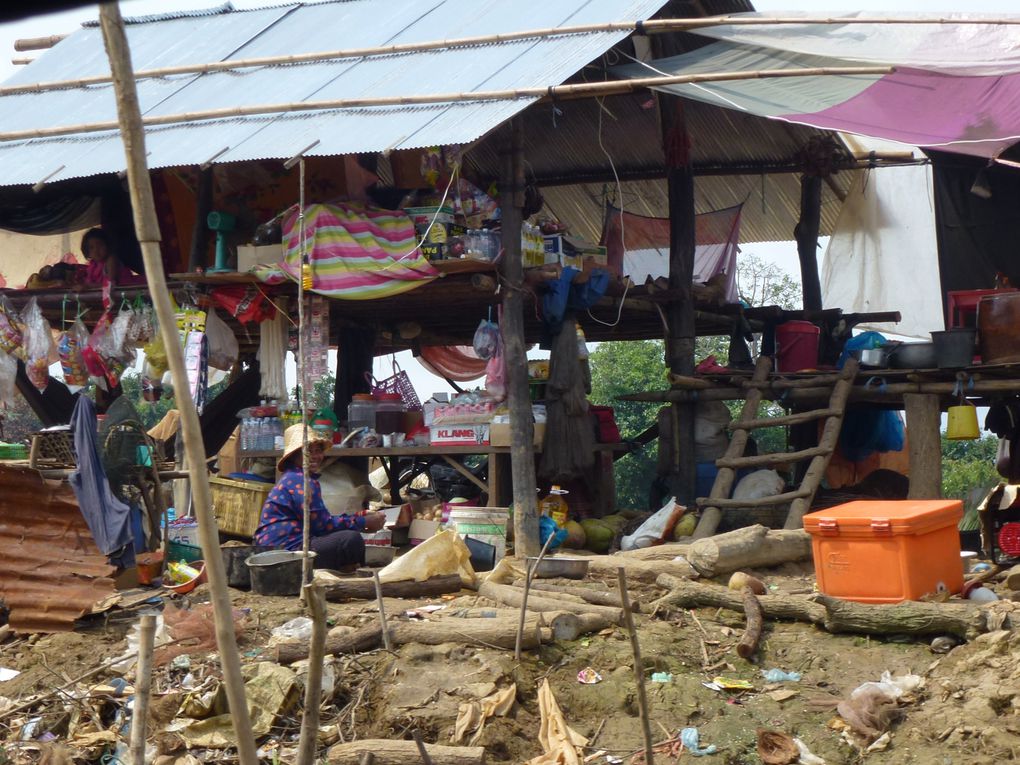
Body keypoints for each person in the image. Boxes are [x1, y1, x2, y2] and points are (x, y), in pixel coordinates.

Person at [254, 424, 385, 570]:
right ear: (295, 455)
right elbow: (323, 526)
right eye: (308, 452)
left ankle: (348, 567)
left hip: (281, 547)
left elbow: (319, 521)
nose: (315, 457)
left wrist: (359, 517)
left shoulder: (295, 478)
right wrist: (362, 521)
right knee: (351, 540)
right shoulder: (300, 481)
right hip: (285, 552)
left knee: (348, 537)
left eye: (318, 451)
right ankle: (350, 569)